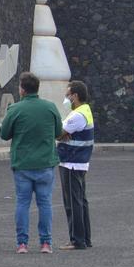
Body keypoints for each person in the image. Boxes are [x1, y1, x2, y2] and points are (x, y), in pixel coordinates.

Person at [0, 72, 64, 254]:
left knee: (22, 203)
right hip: (45, 162)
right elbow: (59, 131)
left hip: (23, 164)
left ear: (22, 89)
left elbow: (4, 134)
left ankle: (22, 243)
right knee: (45, 203)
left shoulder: (15, 109)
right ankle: (46, 243)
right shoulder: (50, 107)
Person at [57, 81, 94, 250]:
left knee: (73, 203)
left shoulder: (77, 115)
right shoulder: (85, 111)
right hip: (79, 162)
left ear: (75, 96)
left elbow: (59, 133)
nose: (67, 97)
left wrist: (62, 135)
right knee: (81, 201)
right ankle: (85, 238)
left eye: (68, 94)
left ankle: (77, 240)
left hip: (72, 162)